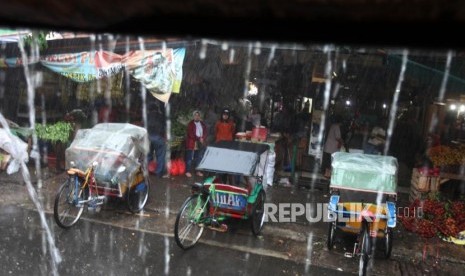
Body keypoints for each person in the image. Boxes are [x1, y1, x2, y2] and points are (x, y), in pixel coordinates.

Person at [147, 101, 169, 178]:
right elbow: (165, 127)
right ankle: (158, 173)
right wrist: (165, 138)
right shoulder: (161, 116)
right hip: (159, 138)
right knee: (160, 156)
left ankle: (147, 171)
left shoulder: (147, 116)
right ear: (157, 109)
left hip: (148, 138)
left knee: (148, 155)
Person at [185, 110, 207, 177]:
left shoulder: (202, 124)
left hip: (200, 143)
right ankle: (188, 171)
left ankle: (198, 171)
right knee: (189, 158)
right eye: (195, 115)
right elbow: (191, 134)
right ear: (193, 116)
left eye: (198, 115)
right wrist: (199, 138)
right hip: (192, 143)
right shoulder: (190, 124)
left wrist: (203, 138)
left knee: (198, 157)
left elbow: (205, 132)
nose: (197, 117)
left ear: (200, 116)